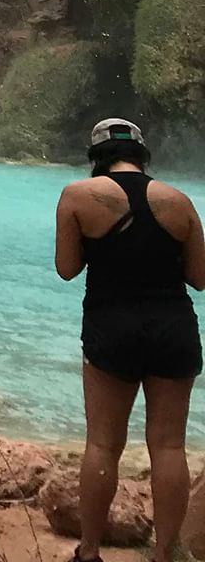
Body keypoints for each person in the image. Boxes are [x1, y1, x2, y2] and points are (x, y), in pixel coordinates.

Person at [56, 117, 205, 562]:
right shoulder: (178, 201)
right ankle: (164, 553)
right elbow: (200, 277)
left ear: (96, 156)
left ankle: (89, 551)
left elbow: (66, 268)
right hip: (174, 328)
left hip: (112, 327)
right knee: (169, 446)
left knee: (103, 444)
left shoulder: (78, 196)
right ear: (142, 154)